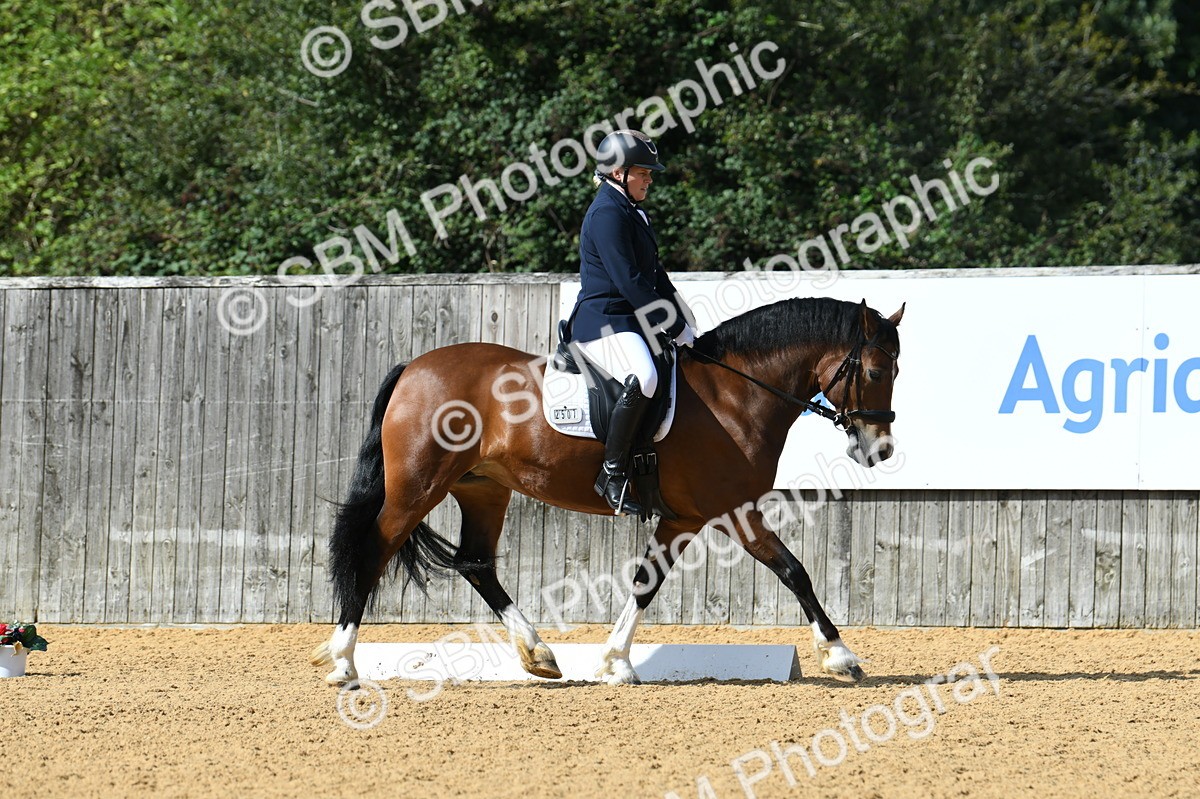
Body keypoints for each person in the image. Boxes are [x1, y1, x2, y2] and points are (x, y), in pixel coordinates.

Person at [567, 129, 697, 517]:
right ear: (619, 172)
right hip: (603, 322)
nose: (650, 179)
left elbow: (656, 276)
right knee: (645, 376)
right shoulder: (607, 213)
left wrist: (685, 317)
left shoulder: (632, 211)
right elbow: (629, 282)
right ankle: (611, 472)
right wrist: (671, 325)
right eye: (644, 172)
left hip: (629, 322)